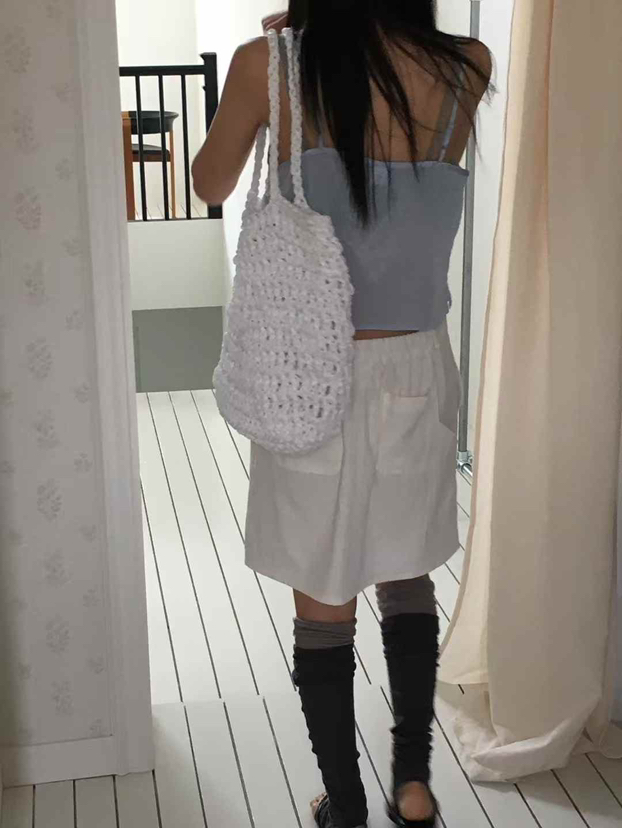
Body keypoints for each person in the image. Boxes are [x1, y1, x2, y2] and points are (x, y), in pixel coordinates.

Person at [192, 3, 493, 826]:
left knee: (323, 600)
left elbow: (210, 183)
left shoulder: (270, 66)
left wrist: (290, 47)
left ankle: (346, 801)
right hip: (418, 365)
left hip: (311, 370)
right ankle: (414, 786)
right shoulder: (468, 64)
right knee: (407, 570)